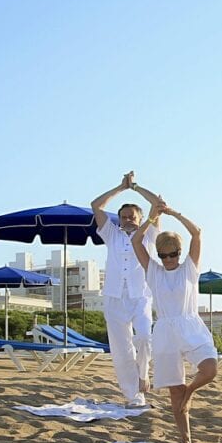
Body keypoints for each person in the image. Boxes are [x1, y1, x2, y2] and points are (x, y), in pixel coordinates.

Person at [131, 201, 218, 443]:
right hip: (166, 331)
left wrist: (173, 213)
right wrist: (151, 218)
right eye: (163, 255)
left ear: (179, 253)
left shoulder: (189, 268)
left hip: (191, 326)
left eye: (172, 254)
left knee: (210, 370)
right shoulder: (154, 272)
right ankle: (185, 439)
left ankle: (191, 392)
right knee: (174, 390)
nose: (168, 259)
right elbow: (136, 242)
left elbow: (197, 233)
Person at [91, 172, 164, 407]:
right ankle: (134, 396)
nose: (127, 220)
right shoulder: (111, 234)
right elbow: (96, 205)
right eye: (123, 217)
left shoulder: (149, 232)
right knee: (122, 350)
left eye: (132, 216)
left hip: (140, 296)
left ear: (140, 217)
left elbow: (158, 204)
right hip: (113, 297)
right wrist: (121, 188)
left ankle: (143, 375)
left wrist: (135, 187)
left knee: (144, 337)